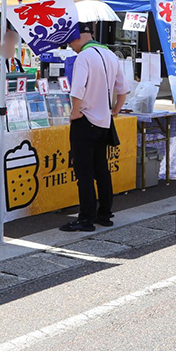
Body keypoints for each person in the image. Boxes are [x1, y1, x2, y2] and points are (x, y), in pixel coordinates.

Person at [60, 23, 129, 231]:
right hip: (104, 122)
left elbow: (77, 89)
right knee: (102, 169)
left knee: (84, 172)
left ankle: (86, 218)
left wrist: (75, 112)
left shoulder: (84, 57)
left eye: (70, 42)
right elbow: (123, 88)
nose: (71, 46)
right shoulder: (110, 54)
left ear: (77, 38)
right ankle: (105, 214)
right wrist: (115, 110)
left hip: (86, 119)